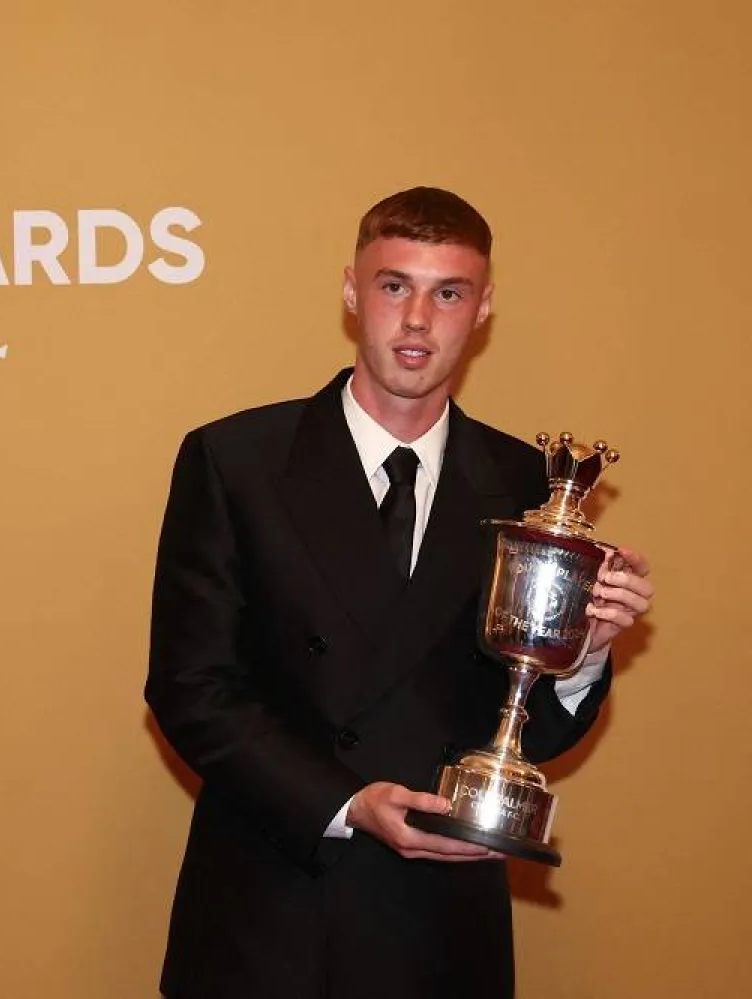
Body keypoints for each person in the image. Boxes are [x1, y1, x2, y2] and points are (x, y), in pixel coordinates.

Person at [144, 187, 655, 999]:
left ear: (483, 309)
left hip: (439, 932)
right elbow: (189, 687)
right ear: (352, 291)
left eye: (447, 293)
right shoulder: (234, 459)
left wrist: (581, 657)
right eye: (394, 286)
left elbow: (533, 735)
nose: (418, 320)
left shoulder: (528, 483)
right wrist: (348, 802)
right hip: (269, 918)